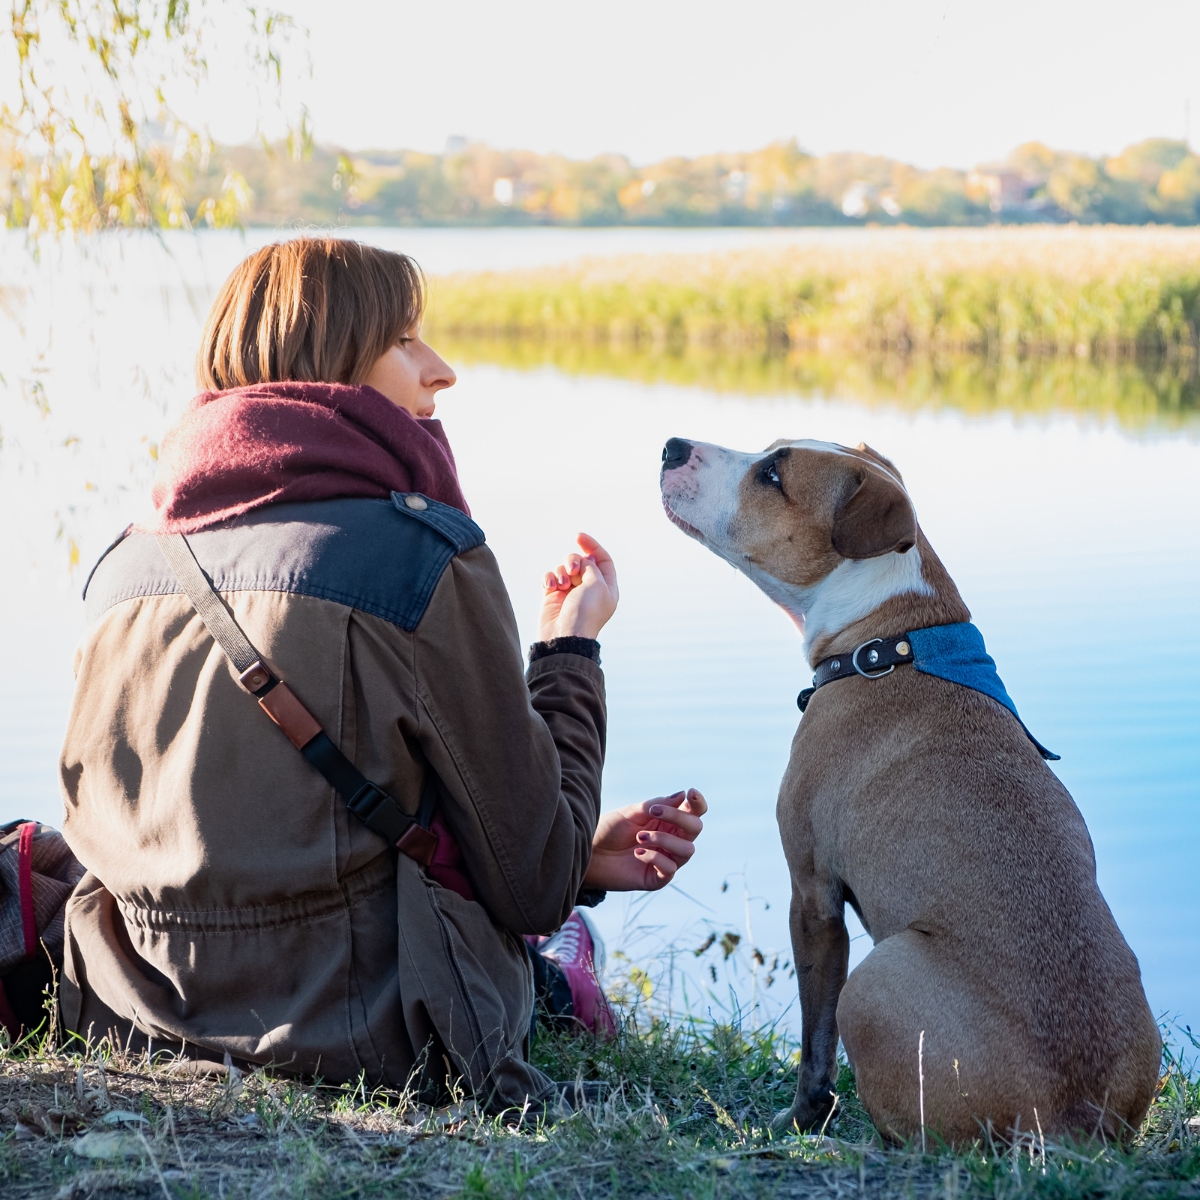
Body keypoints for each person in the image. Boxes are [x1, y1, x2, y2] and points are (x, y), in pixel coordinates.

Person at [58, 237, 706, 1113]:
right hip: (370, 1034)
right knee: (561, 932)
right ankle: (566, 987)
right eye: (405, 341)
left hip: (130, 1013)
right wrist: (569, 650)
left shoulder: (122, 569)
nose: (441, 372)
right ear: (326, 364)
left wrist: (580, 856)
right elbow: (536, 885)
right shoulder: (421, 558)